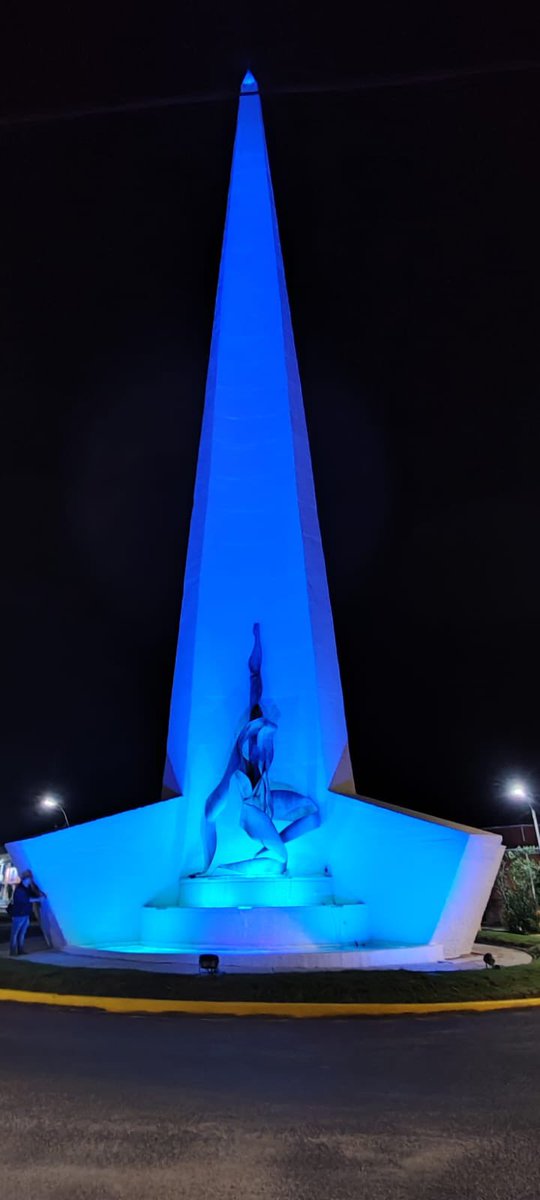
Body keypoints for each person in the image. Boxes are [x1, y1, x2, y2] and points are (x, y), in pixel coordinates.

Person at [9, 871, 47, 957]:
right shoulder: (20, 889)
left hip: (25, 913)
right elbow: (25, 900)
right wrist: (38, 899)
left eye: (30, 880)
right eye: (28, 880)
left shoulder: (26, 889)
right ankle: (13, 951)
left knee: (21, 933)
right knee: (15, 933)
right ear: (24, 880)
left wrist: (41, 896)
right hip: (19, 914)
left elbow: (33, 895)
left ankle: (20, 950)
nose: (29, 881)